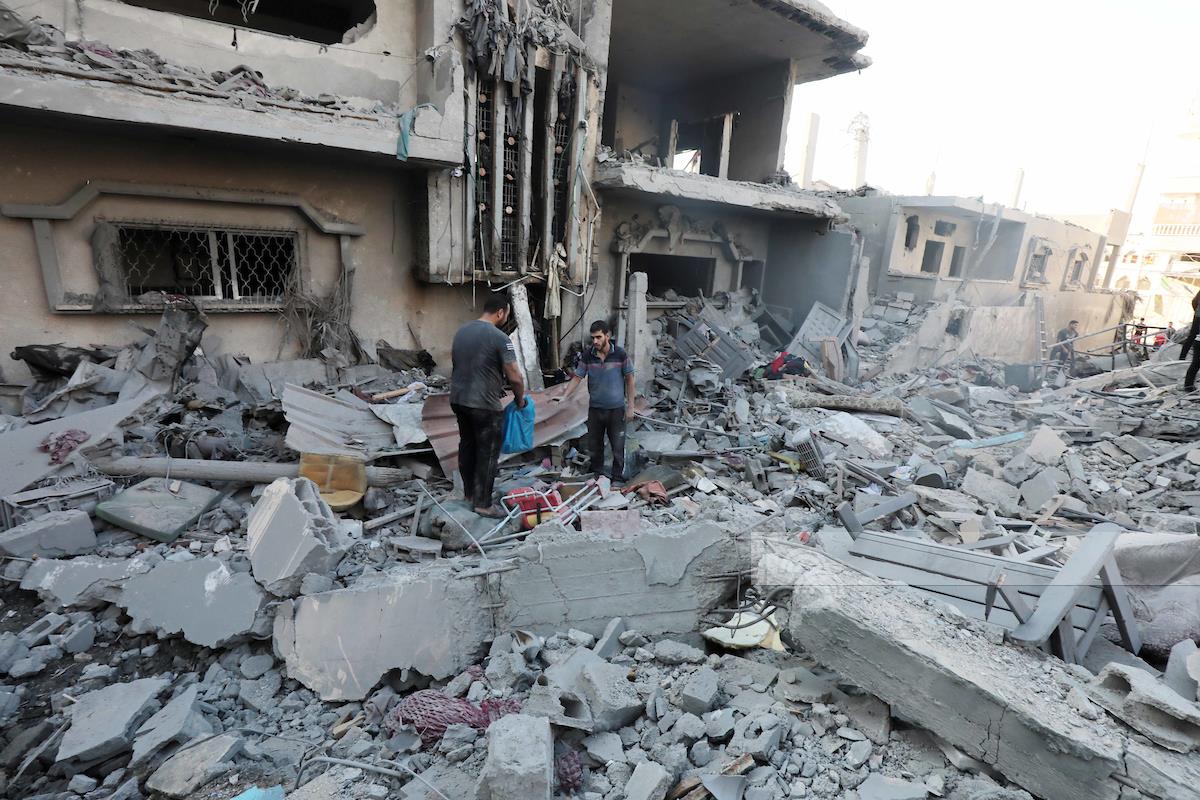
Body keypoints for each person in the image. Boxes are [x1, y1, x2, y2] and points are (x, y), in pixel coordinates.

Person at [449, 296, 526, 518]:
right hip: (484, 405)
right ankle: (483, 504)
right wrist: (520, 399)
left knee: (467, 446)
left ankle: (469, 495)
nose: (506, 318)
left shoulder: (461, 332)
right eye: (507, 314)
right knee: (488, 453)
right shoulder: (500, 338)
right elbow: (515, 376)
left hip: (459, 400)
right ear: (500, 312)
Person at [559, 320, 636, 481]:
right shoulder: (588, 355)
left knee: (617, 446)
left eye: (598, 337)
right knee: (595, 446)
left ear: (607, 336)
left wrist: (631, 407)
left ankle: (617, 479)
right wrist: (565, 396)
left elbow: (630, 380)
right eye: (593, 338)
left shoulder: (620, 354)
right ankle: (597, 477)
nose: (595, 341)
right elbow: (577, 377)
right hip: (595, 410)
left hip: (616, 410)